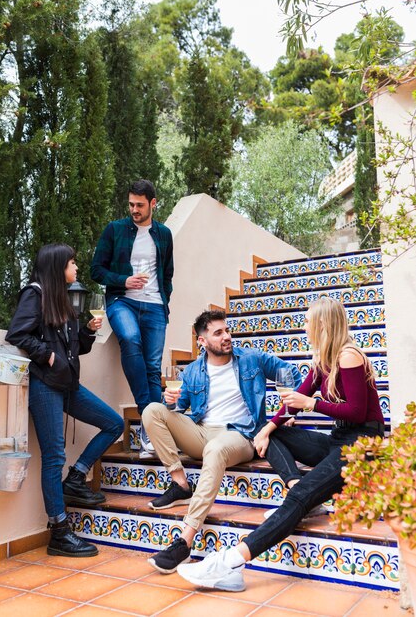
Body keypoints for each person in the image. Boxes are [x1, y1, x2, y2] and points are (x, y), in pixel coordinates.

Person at [176, 297, 385, 592]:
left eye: (308, 321)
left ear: (323, 324)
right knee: (267, 431)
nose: (304, 326)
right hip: (339, 441)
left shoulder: (348, 356)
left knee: (300, 496)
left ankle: (231, 563)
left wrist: (313, 403)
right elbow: (295, 400)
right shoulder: (323, 359)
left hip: (361, 444)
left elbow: (357, 412)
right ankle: (298, 489)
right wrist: (267, 429)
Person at [144, 309, 302, 574]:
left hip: (240, 434)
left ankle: (185, 540)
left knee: (215, 450)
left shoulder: (251, 358)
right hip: (203, 432)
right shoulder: (192, 371)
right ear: (202, 341)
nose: (226, 336)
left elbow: (291, 373)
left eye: (227, 330)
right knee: (152, 410)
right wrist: (170, 401)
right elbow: (179, 409)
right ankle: (181, 483)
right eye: (218, 333)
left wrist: (289, 409)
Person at [6, 244, 124, 558]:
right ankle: (58, 531)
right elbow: (17, 334)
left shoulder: (64, 301)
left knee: (113, 423)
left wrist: (86, 331)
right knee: (54, 457)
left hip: (69, 385)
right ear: (59, 266)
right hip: (45, 387)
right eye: (72, 262)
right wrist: (48, 356)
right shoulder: (35, 294)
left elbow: (77, 349)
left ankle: (76, 478)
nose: (76, 267)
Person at [90, 179, 173, 456]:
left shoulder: (164, 234)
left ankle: (151, 433)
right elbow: (96, 270)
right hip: (121, 300)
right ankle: (148, 420)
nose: (134, 210)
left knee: (152, 368)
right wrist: (124, 281)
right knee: (130, 338)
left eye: (139, 205)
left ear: (153, 203)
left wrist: (164, 300)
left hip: (155, 306)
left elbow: (168, 274)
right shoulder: (115, 230)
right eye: (130, 204)